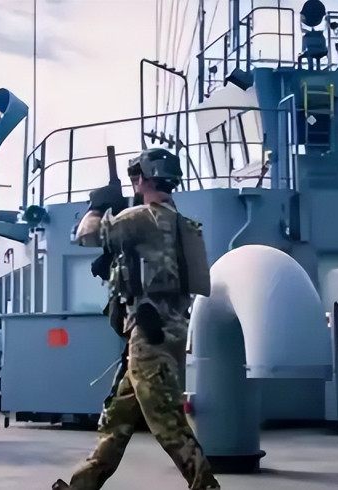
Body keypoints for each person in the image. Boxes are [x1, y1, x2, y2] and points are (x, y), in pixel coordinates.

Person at [53, 148, 220, 490]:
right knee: (118, 421)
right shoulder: (178, 222)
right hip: (166, 331)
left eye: (136, 176)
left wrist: (98, 205)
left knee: (166, 421)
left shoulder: (141, 218)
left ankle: (206, 487)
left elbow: (86, 235)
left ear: (143, 178)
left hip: (149, 337)